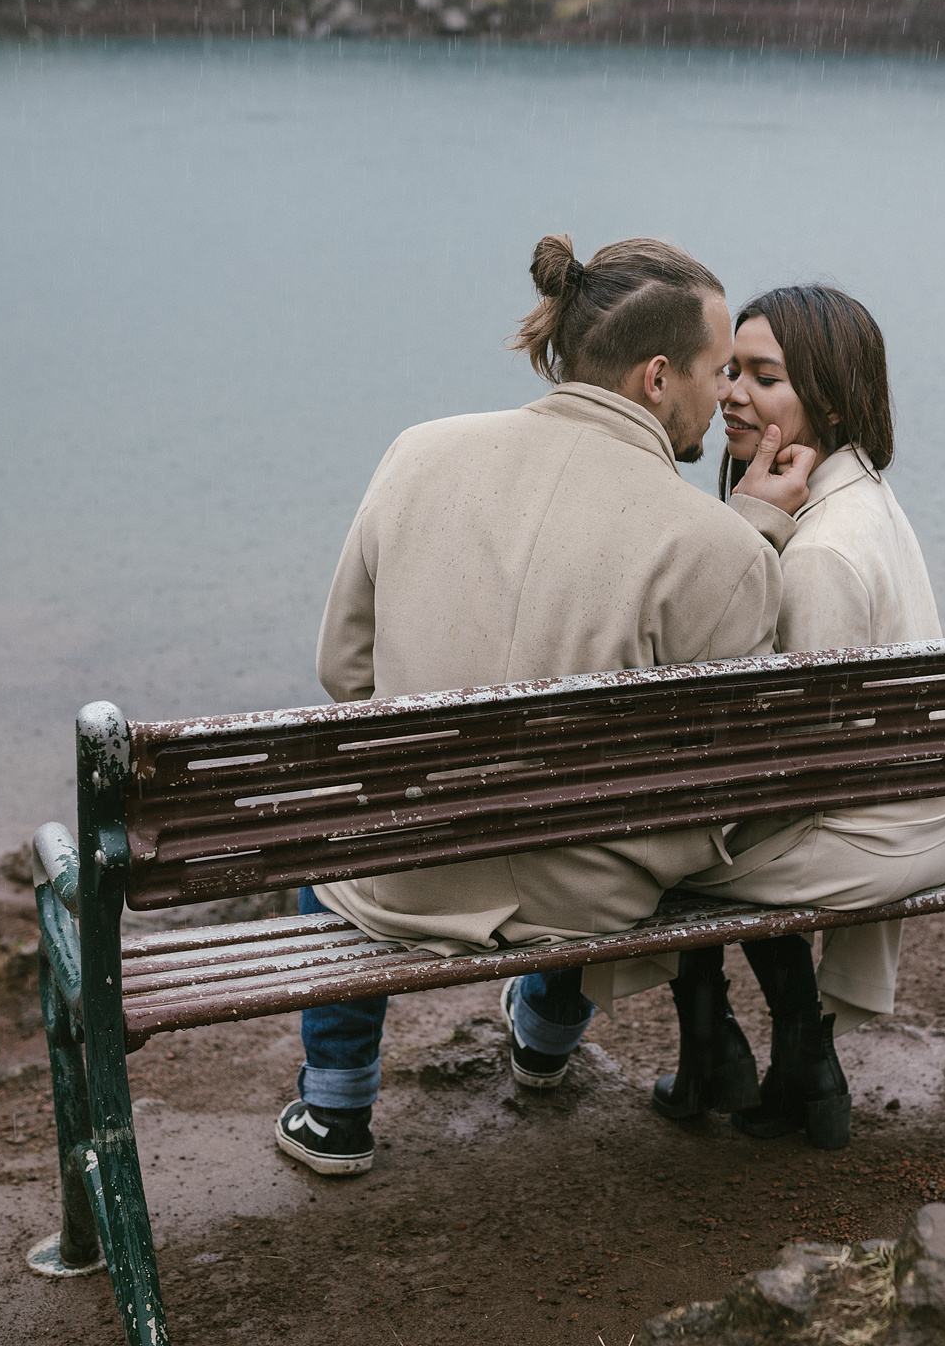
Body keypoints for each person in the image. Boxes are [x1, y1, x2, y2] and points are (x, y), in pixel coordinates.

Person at [276, 234, 814, 1177]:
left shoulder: (419, 454)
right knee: (601, 805)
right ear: (657, 379)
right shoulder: (716, 544)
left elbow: (345, 669)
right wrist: (757, 531)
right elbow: (723, 757)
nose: (724, 393)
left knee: (338, 835)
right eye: (715, 369)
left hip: (409, 866)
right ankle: (545, 1038)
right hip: (589, 893)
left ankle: (336, 1112)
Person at [648, 284, 945, 1151]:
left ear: (825, 396)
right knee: (695, 825)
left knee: (644, 853)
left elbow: (794, 771)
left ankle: (754, 1047)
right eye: (730, 372)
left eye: (764, 376)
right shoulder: (861, 495)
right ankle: (775, 1057)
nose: (730, 395)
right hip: (921, 808)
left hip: (872, 836)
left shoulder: (821, 551)